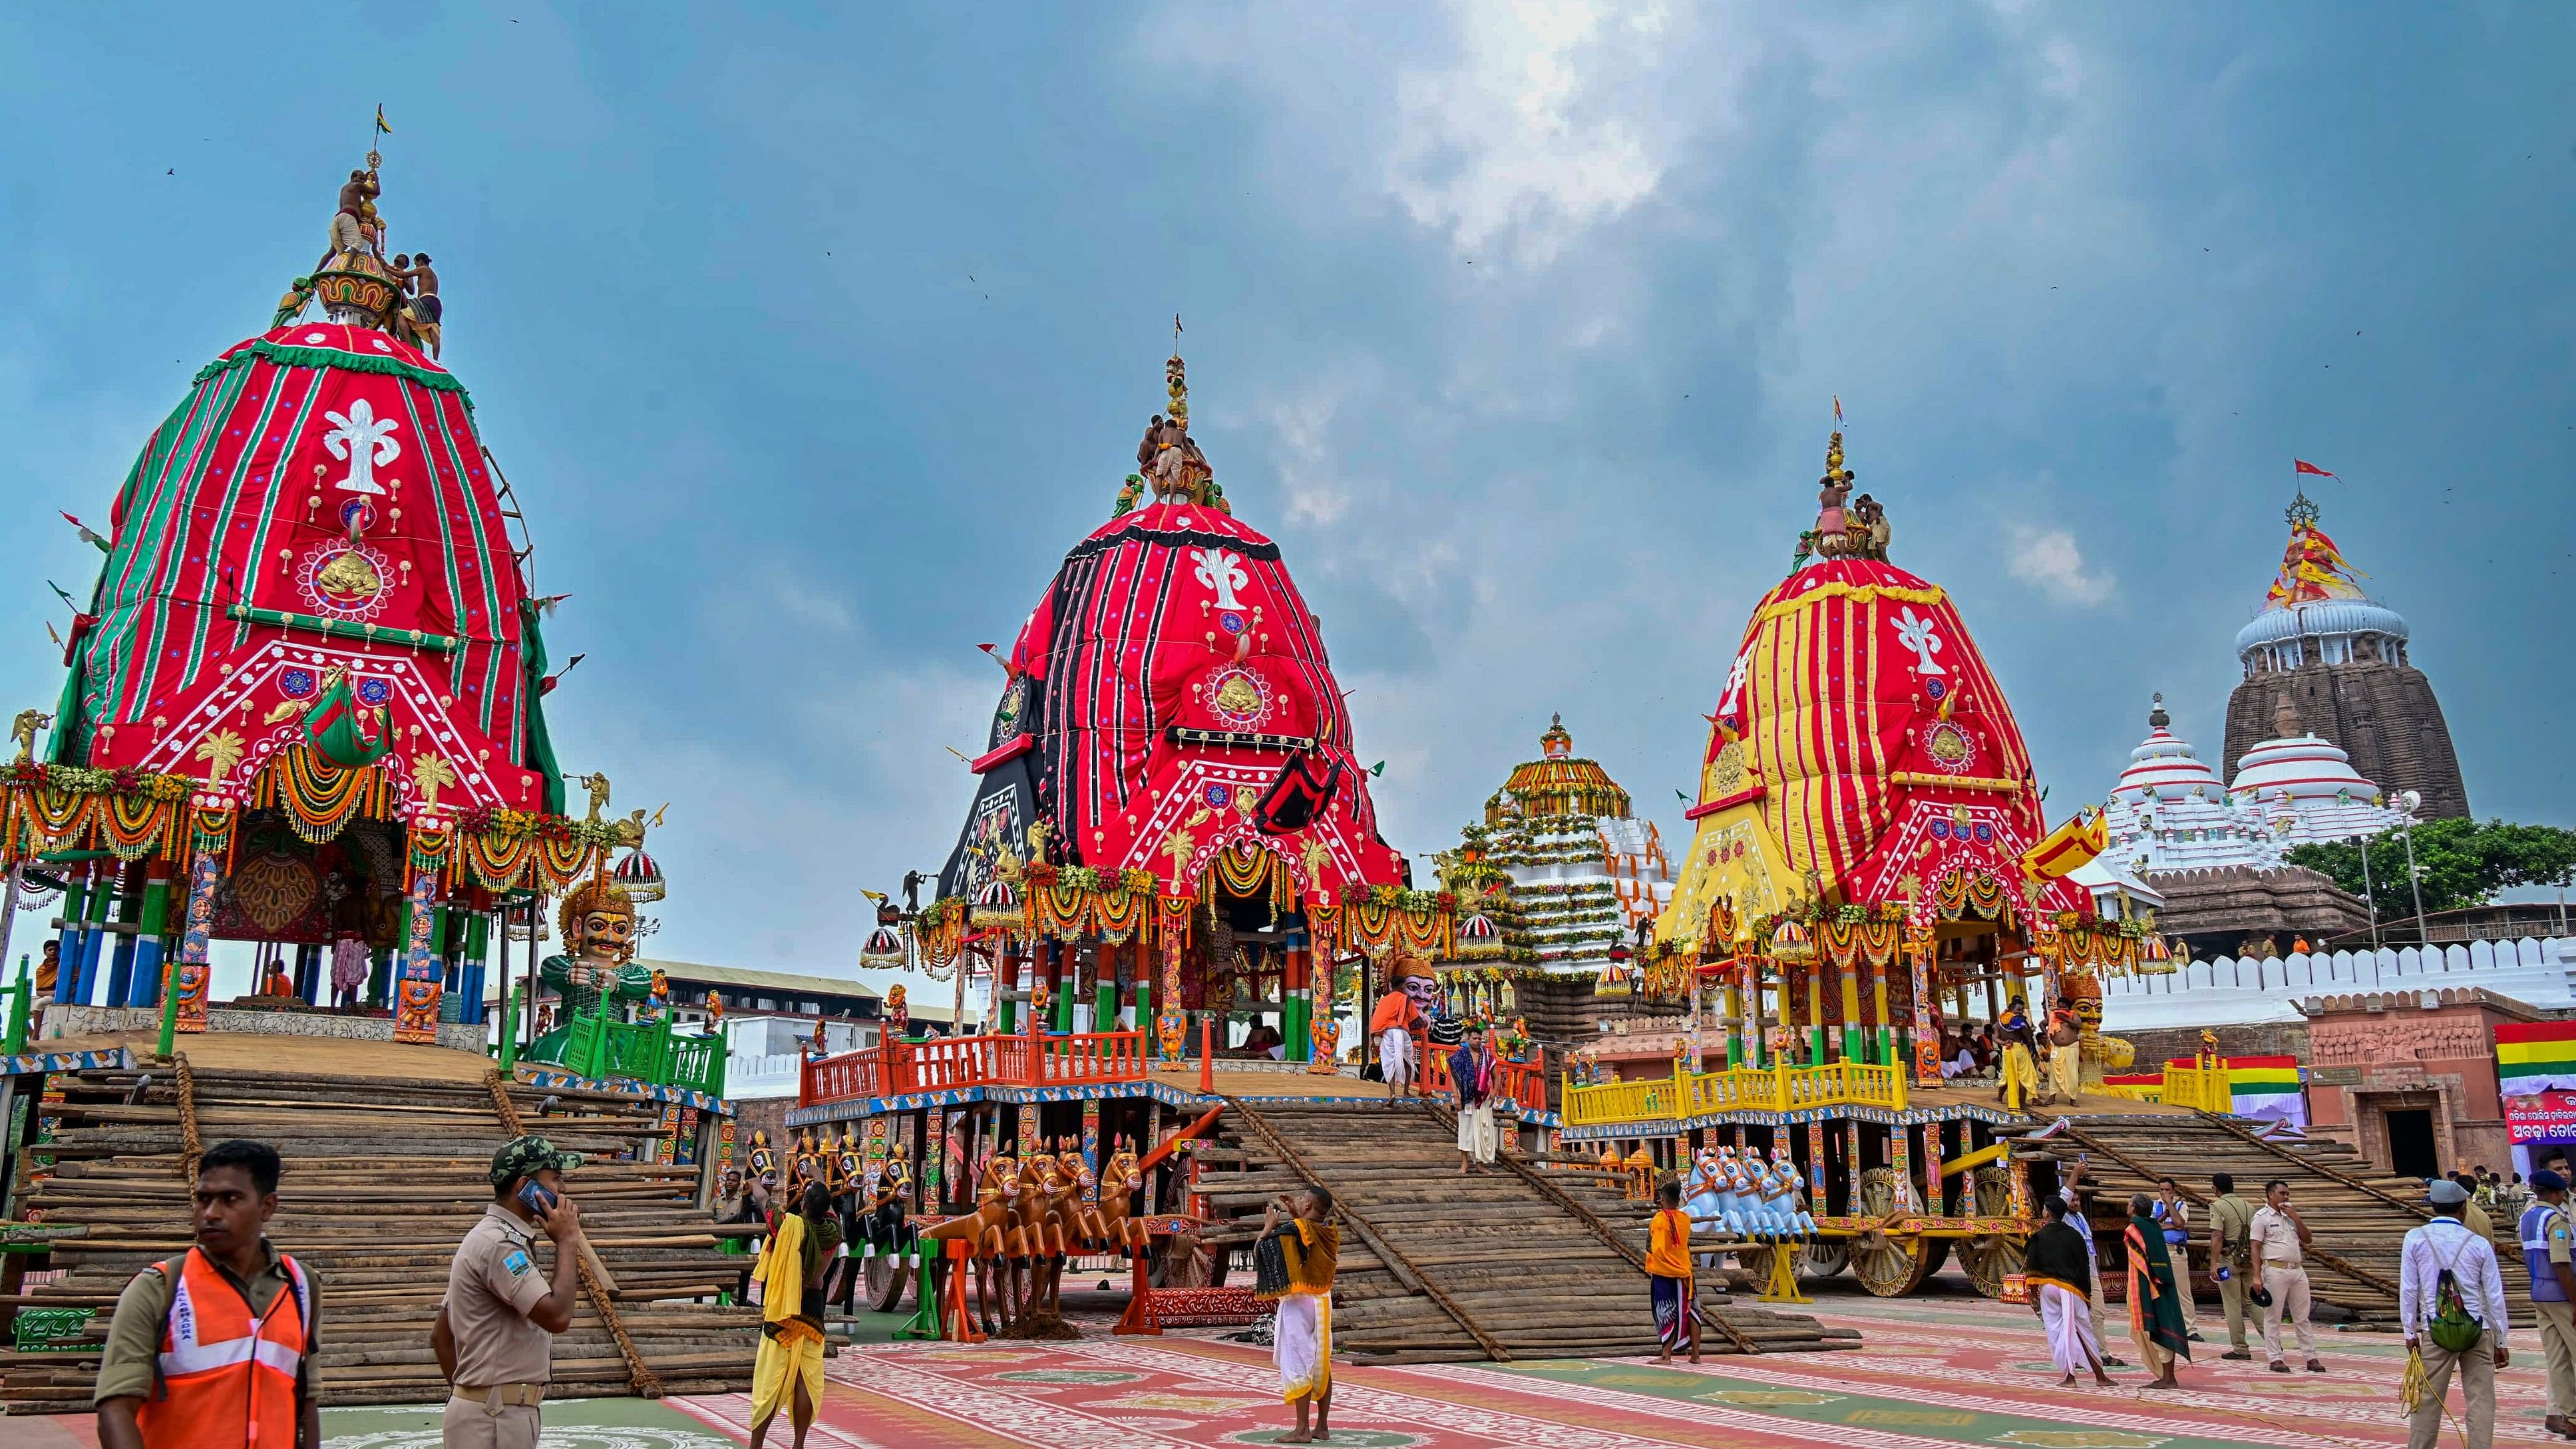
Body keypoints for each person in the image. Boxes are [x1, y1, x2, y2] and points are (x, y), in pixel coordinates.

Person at [94, 1140, 320, 1449]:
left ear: (267, 1207)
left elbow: (306, 1400)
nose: (211, 1213)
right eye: (203, 1199)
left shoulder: (301, 1286)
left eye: (230, 1199)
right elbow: (115, 1408)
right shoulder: (159, 1288)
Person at [434, 1136, 587, 1449]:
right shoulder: (500, 1246)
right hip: (495, 1417)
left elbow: (441, 1336)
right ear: (525, 1187)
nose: (563, 1189)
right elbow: (557, 1317)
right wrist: (568, 1241)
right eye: (555, 1179)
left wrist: (470, 1396)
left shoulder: (493, 1238)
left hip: (492, 1413)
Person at [2402, 1178, 2509, 1449]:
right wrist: (2501, 1341)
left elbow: (2409, 1289)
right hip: (2477, 1329)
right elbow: (2494, 1295)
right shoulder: (2479, 1244)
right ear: (2463, 1208)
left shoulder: (2415, 1238)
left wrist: (2409, 1331)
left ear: (2433, 1208)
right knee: (2481, 1398)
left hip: (2435, 1329)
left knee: (2427, 1398)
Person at [747, 1182, 840, 1449]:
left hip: (785, 1308)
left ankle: (756, 1446)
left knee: (770, 1377)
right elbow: (830, 1209)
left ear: (803, 1205)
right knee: (806, 1377)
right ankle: (798, 1444)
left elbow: (764, 1200)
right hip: (813, 1308)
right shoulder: (834, 1231)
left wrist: (755, 1182)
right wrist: (819, 1177)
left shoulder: (788, 1225)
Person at [1263, 1186, 1339, 1444]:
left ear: (1308, 1206)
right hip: (1322, 1299)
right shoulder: (1329, 1229)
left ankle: (1302, 1429)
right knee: (1321, 1360)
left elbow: (1264, 1254)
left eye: (1303, 1200)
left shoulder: (1295, 1230)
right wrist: (1296, 1213)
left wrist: (1268, 1228)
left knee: (1297, 1361)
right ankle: (1322, 1426)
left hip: (1299, 1300)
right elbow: (1308, 1234)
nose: (1299, 1201)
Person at [2026, 1195, 2114, 1388]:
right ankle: (2100, 1377)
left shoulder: (2038, 1236)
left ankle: (2070, 1379)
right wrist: (2087, 1295)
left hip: (2048, 1289)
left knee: (2057, 1332)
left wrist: (2032, 1292)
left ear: (2047, 1213)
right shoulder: (2075, 1236)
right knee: (2084, 1330)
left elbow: (2032, 1266)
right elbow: (2084, 1266)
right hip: (2073, 1289)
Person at [2522, 1167, 2576, 1438]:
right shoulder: (2556, 1220)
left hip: (2539, 1295)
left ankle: (2571, 1419)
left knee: (2557, 1359)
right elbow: (2561, 1262)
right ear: (2558, 1193)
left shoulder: (2527, 1218)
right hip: (2561, 1295)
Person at [2247, 1178, 2322, 1372]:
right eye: (2282, 1193)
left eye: (2288, 1194)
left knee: (2302, 1316)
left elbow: (2308, 1238)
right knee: (2273, 1316)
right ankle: (2275, 1358)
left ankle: (2311, 1356)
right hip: (2274, 1268)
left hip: (2296, 1269)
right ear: (2271, 1194)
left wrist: (2296, 1218)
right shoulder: (2261, 1217)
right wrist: (2257, 1276)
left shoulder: (2290, 1216)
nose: (2286, 1197)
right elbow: (2255, 1247)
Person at [2057, 1157, 2123, 1366]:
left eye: (2077, 1200)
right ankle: (2076, 1356)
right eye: (2072, 1200)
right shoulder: (2062, 1218)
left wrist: (2097, 1270)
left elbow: (2090, 1247)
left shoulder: (2081, 1218)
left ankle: (2101, 1353)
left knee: (2098, 1313)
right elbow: (2063, 1197)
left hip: (2090, 1271)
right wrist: (2075, 1174)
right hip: (2073, 1274)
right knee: (2075, 1315)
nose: (2075, 1203)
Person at [2123, 1191, 2191, 1388]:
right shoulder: (2153, 1226)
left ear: (2134, 1209)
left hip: (2148, 1284)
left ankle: (2168, 1378)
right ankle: (2164, 1374)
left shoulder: (2135, 1229)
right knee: (2147, 1328)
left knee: (2158, 1327)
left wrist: (2150, 1284)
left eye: (2129, 1204)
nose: (2127, 1207)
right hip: (2156, 1281)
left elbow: (2143, 1261)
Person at [1645, 1179, 1700, 1364]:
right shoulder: (1685, 1218)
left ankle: (1666, 1355)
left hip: (1665, 1272)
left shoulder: (1660, 1219)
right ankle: (1696, 1356)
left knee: (1666, 1311)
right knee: (1692, 1311)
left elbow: (1658, 1249)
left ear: (1662, 1199)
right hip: (1685, 1271)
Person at [2206, 1171, 2257, 1360]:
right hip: (2248, 1257)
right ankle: (2273, 1342)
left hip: (2229, 1260)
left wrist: (2213, 1264)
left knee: (2232, 1305)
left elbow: (2217, 1236)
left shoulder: (2218, 1206)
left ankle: (2241, 1348)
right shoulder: (2248, 1206)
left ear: (2215, 1189)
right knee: (2253, 1302)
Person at [1453, 1026, 1498, 1173]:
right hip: (1466, 1098)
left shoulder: (1487, 1056)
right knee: (1465, 1131)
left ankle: (1479, 1164)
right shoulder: (1461, 1055)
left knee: (1482, 1131)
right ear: (1468, 1040)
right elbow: (1453, 1076)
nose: (1478, 1041)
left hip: (1482, 1098)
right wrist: (1456, 1096)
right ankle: (1464, 1164)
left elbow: (1496, 1076)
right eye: (1475, 1039)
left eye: (1480, 1039)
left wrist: (1495, 1092)